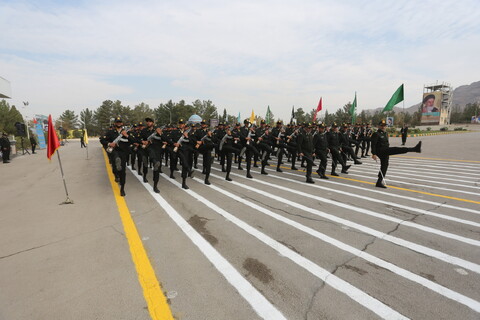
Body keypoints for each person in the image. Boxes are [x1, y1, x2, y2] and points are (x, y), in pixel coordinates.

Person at [371, 120, 422, 188]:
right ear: (379, 126)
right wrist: (374, 154)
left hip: (386, 151)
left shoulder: (385, 133)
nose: (383, 127)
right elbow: (373, 145)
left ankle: (379, 182)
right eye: (382, 125)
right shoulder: (376, 134)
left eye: (384, 125)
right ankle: (414, 149)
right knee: (396, 149)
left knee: (384, 166)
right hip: (380, 151)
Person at [104, 117, 135, 196]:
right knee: (115, 168)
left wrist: (127, 136)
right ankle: (116, 173)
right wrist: (109, 144)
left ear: (122, 123)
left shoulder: (126, 132)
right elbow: (102, 139)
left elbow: (133, 141)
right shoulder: (110, 132)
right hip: (114, 151)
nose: (118, 123)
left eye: (120, 122)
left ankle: (122, 189)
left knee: (122, 172)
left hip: (123, 153)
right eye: (117, 122)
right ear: (115, 123)